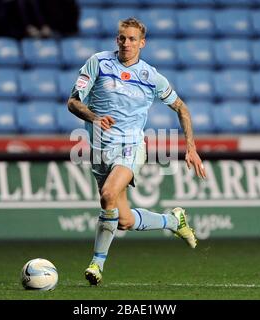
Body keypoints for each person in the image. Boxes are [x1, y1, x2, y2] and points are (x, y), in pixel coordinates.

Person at [67, 18, 207, 286]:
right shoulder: (98, 63)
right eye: (122, 38)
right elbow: (73, 102)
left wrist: (191, 148)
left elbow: (181, 108)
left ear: (142, 43)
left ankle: (97, 264)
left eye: (132, 39)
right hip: (99, 150)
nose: (126, 43)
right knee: (125, 221)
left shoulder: (151, 76)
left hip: (130, 145)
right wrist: (95, 117)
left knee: (108, 194)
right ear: (116, 40)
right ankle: (172, 220)